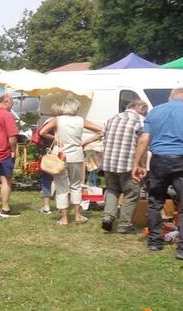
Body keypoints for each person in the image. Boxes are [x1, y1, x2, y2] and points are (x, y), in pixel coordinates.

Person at [132, 88, 183, 259]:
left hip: (159, 161)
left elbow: (144, 139)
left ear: (170, 97)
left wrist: (137, 163)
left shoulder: (155, 111)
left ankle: (154, 242)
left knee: (155, 202)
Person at [38, 96, 102, 226]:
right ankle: (78, 215)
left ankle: (64, 218)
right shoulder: (81, 120)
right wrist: (84, 142)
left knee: (61, 187)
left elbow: (42, 132)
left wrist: (54, 138)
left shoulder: (58, 120)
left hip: (60, 156)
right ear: (76, 108)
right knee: (76, 186)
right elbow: (101, 131)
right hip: (77, 155)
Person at [91, 100, 148, 233]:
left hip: (109, 162)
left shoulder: (112, 118)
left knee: (112, 190)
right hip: (128, 164)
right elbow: (142, 145)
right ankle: (124, 225)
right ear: (141, 109)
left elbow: (102, 134)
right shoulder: (140, 121)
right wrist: (142, 165)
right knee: (132, 193)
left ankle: (107, 217)